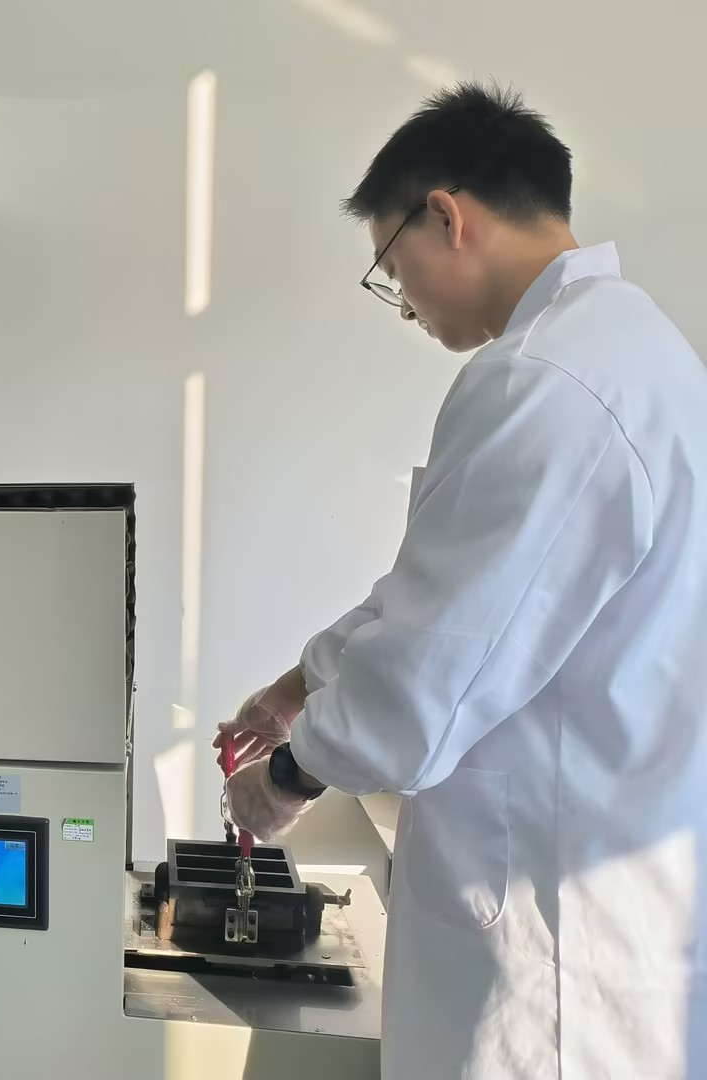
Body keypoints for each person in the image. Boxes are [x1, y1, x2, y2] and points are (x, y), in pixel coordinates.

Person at [215, 83, 707, 1079]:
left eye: (394, 271)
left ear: (446, 215)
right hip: (605, 898)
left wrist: (283, 782)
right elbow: (444, 597)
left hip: (551, 960)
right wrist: (298, 686)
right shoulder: (635, 351)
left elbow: (422, 688)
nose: (406, 305)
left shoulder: (544, 382)